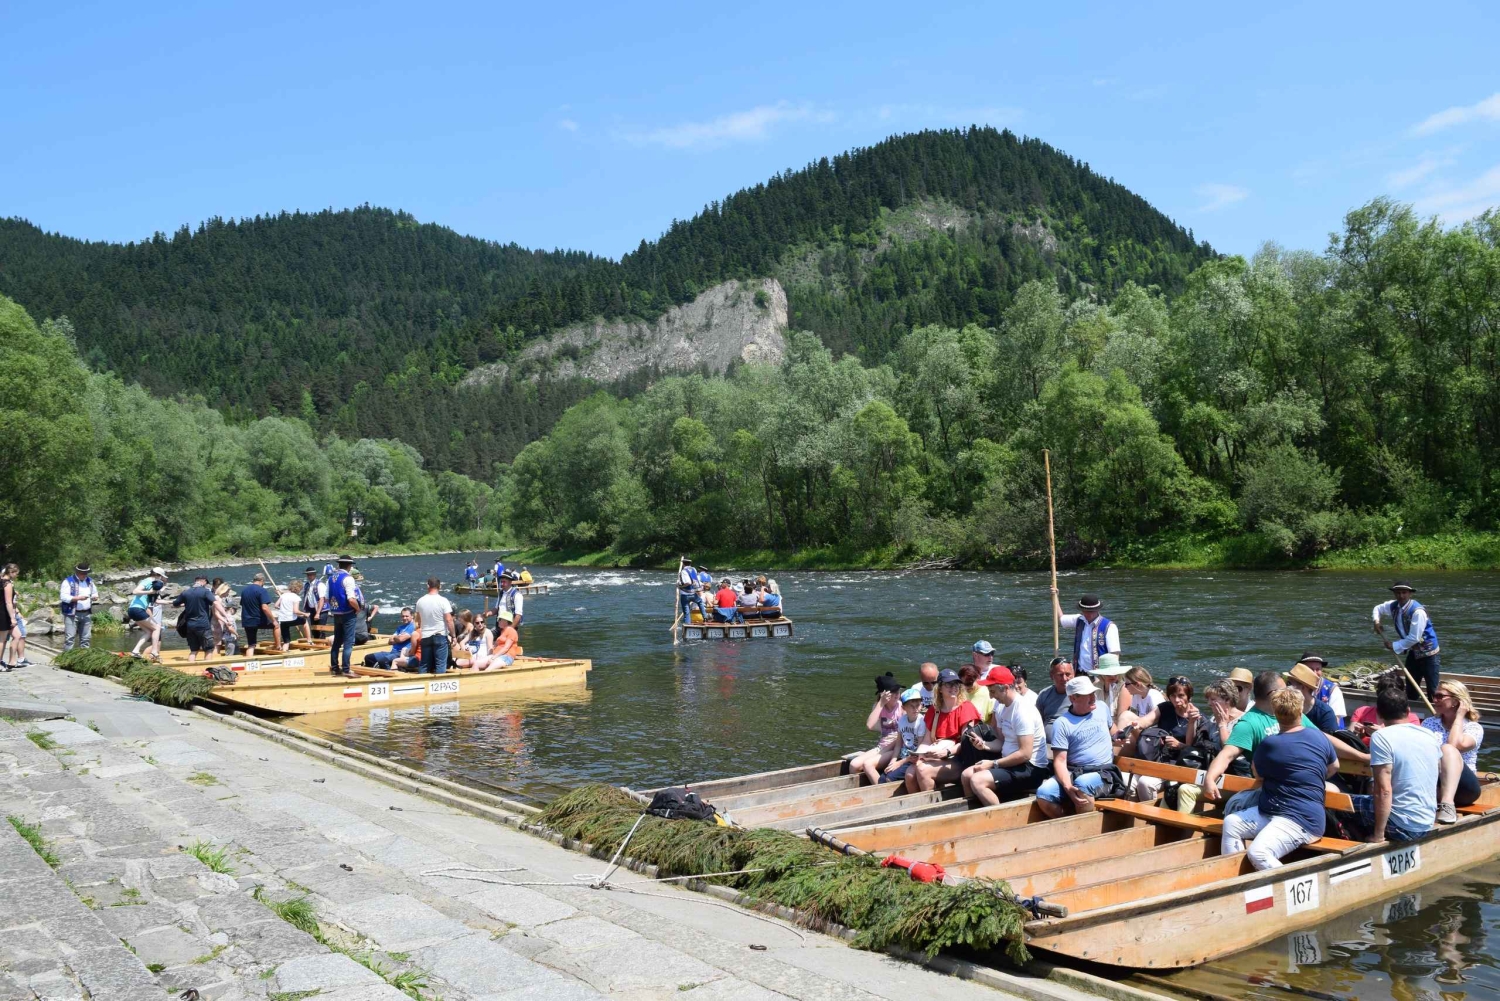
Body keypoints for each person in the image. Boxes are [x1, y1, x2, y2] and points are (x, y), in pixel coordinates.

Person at [1222, 688, 1339, 870]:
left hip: (1301, 820)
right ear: (1300, 711)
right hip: (1272, 812)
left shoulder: (1270, 743)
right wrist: (1313, 778)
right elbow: (1334, 766)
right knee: (1231, 823)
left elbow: (1257, 774)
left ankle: (1290, 883)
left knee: (1259, 852)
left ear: (1276, 714)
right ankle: (1235, 876)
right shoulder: (1319, 736)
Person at [1203, 671, 1317, 805]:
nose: (1289, 694)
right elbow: (1227, 754)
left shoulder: (1292, 714)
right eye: (1285, 690)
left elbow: (1323, 739)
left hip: (1301, 782)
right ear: (1274, 694)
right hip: (1268, 790)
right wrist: (1210, 778)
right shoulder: (1249, 723)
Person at [1350, 687, 1440, 843]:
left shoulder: (1381, 736)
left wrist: (1378, 835)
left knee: (1340, 803)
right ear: (1408, 710)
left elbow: (1383, 790)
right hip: (1426, 822)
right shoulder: (1429, 734)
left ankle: (1360, 839)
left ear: (1379, 714)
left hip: (1402, 827)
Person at [963, 666, 1050, 805]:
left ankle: (997, 816)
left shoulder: (1022, 711)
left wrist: (993, 763)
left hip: (1030, 768)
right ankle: (978, 811)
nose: (991, 696)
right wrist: (984, 745)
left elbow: (1025, 754)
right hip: (1012, 763)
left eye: (993, 691)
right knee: (966, 775)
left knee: (977, 780)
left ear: (1005, 688)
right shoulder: (1003, 707)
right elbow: (1003, 742)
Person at [1035, 676, 1116, 818]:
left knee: (1082, 784)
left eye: (1093, 693)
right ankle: (1068, 822)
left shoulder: (1102, 708)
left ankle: (1084, 827)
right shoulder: (1062, 723)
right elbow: (1060, 761)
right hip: (1074, 772)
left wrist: (1119, 736)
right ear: (1073, 698)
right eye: (1087, 695)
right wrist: (1067, 786)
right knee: (1044, 794)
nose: (1093, 698)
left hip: (1104, 772)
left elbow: (1113, 731)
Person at [1124, 676, 1201, 800]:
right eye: (1173, 696)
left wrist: (1179, 745)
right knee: (1125, 780)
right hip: (1157, 758)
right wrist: (1136, 724)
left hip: (1177, 764)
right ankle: (1133, 810)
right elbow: (1147, 720)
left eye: (1181, 696)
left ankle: (1151, 811)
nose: (1176, 700)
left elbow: (1193, 749)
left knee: (1145, 783)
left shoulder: (1197, 717)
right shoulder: (1165, 708)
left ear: (1189, 696)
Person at [905, 669, 982, 793]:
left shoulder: (966, 708)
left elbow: (966, 742)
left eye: (956, 684)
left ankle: (931, 804)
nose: (954, 687)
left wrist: (946, 752)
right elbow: (927, 741)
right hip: (937, 754)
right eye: (949, 684)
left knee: (923, 770)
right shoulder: (934, 710)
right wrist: (918, 755)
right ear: (940, 688)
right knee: (910, 773)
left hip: (960, 758)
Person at [1424, 679, 1484, 822]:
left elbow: (1455, 745)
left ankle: (1447, 805)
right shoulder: (1429, 723)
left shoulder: (1473, 728)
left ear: (1456, 701)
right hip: (1434, 782)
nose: (1434, 700)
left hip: (1464, 789)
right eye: (1434, 696)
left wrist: (1459, 717)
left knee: (1447, 749)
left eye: (1440, 696)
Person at [1373, 583, 1441, 701]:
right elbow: (1377, 608)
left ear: (1410, 594)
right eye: (1398, 593)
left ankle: (1436, 709)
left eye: (1404, 593)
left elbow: (1414, 637)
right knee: (1411, 688)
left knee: (1433, 689)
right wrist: (1376, 621)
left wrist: (1394, 645)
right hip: (1413, 652)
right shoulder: (1394, 606)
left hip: (1429, 654)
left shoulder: (1417, 612)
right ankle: (1412, 705)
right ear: (1394, 594)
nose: (1401, 596)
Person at [850, 673, 905, 784]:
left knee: (867, 764)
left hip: (897, 748)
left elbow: (903, 736)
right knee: (854, 765)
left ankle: (880, 790)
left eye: (898, 691)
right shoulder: (878, 706)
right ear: (883, 694)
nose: (897, 695)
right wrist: (881, 703)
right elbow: (869, 725)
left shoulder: (902, 707)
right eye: (893, 692)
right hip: (882, 746)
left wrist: (884, 750)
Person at [1051, 588, 1120, 675]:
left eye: (1091, 611)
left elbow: (1114, 655)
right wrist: (1055, 598)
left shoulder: (1109, 627)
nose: (1088, 614)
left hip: (1099, 675)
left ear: (1097, 610)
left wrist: (1109, 676)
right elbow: (1061, 619)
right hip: (1079, 672)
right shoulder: (1079, 620)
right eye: (1085, 611)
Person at [881, 686, 928, 785]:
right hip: (904, 757)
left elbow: (918, 752)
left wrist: (900, 763)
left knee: (889, 778)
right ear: (903, 707)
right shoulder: (902, 720)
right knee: (882, 778)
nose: (915, 709)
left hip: (913, 760)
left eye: (918, 705)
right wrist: (893, 760)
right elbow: (898, 744)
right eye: (911, 706)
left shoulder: (921, 722)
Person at [325, 556, 363, 678]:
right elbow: (351, 599)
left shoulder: (330, 578)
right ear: (349, 566)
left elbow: (326, 598)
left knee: (337, 641)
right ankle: (346, 669)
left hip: (336, 613)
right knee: (348, 642)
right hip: (347, 613)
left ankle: (335, 667)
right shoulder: (348, 578)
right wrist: (358, 609)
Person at [170, 575, 221, 661]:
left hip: (190, 625)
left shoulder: (186, 592)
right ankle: (208, 667)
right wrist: (225, 615)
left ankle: (189, 667)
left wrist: (185, 604)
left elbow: (175, 604)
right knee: (208, 649)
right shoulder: (205, 591)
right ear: (203, 581)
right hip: (203, 625)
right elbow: (215, 603)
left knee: (193, 650)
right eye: (206, 583)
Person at [412, 576, 455, 675]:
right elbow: (449, 620)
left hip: (425, 636)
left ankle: (422, 681)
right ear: (440, 586)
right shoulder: (443, 601)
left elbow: (418, 620)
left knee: (424, 664)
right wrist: (453, 636)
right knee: (440, 664)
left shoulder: (420, 601)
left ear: (427, 586)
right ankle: (439, 682)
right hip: (440, 635)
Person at [1284, 663, 1342, 735]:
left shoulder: (1325, 713)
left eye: (1289, 683)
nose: (1285, 687)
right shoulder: (1285, 707)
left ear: (1303, 687)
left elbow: (1330, 740)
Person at [126, 568, 169, 661]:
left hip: (133, 610)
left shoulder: (152, 584)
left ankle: (135, 651)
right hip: (137, 609)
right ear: (157, 575)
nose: (161, 579)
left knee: (149, 632)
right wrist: (150, 592)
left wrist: (171, 602)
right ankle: (154, 652)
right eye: (161, 577)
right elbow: (135, 591)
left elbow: (156, 601)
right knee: (157, 627)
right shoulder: (148, 581)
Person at [58, 562, 99, 652]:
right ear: (77, 572)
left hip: (86, 613)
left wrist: (95, 597)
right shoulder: (68, 581)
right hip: (72, 614)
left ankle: (84, 657)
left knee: (86, 639)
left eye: (86, 573)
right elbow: (63, 597)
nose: (84, 575)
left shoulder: (90, 581)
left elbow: (95, 592)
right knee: (70, 639)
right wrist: (77, 598)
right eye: (82, 573)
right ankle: (67, 658)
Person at [1299, 653, 1346, 728]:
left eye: (1318, 669)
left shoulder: (1333, 690)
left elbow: (1334, 722)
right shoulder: (1296, 687)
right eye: (1310, 669)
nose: (1314, 673)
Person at [1036, 659, 1075, 741]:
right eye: (1060, 675)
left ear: (1073, 674)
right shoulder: (1044, 694)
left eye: (1068, 674)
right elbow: (1038, 721)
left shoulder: (1081, 694)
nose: (1064, 678)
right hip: (1046, 743)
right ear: (1051, 676)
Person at [239, 573, 277, 655]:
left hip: (247, 620)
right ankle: (278, 646)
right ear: (262, 581)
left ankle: (249, 660)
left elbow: (242, 604)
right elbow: (265, 607)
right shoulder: (261, 590)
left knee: (251, 645)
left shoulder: (244, 591)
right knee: (276, 626)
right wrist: (273, 620)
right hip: (258, 620)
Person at [0, 563, 23, 670]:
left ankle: (12, 661)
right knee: (2, 640)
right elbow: (8, 602)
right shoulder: (7, 583)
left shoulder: (1, 580)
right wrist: (12, 618)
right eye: (16, 573)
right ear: (11, 572)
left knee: (17, 635)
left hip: (4, 612)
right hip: (4, 613)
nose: (17, 576)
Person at [272, 580, 304, 651]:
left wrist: (282, 608)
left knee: (286, 641)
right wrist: (305, 614)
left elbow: (276, 605)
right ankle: (309, 640)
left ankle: (284, 651)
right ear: (298, 589)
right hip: (291, 619)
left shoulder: (283, 595)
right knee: (304, 621)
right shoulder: (296, 597)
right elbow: (296, 611)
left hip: (282, 620)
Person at [300, 566, 325, 641]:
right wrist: (282, 592)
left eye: (311, 574)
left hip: (321, 610)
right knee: (314, 629)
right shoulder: (307, 585)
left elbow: (322, 599)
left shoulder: (320, 585)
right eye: (308, 574)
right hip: (311, 609)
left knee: (321, 629)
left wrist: (318, 613)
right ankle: (316, 642)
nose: (309, 576)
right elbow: (297, 591)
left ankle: (322, 643)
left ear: (314, 574)